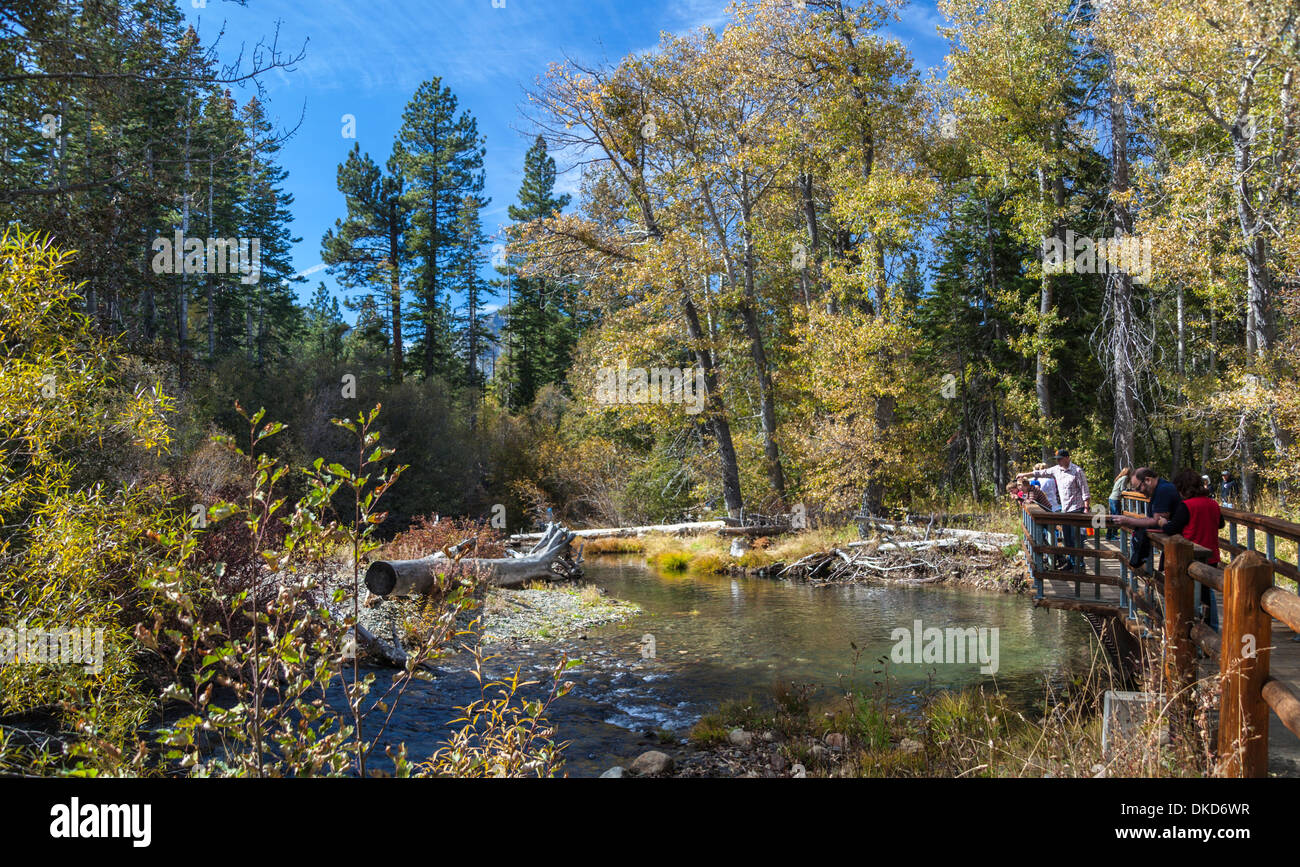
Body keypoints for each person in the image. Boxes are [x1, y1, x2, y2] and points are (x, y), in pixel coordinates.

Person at [1161, 469, 1223, 630]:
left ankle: (1192, 628)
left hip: (1191, 556)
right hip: (1212, 556)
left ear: (1182, 488)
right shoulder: (1213, 504)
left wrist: (1162, 523)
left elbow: (1172, 528)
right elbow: (1221, 524)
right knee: (1207, 593)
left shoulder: (1186, 506)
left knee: (1192, 594)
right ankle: (1212, 627)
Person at [1017, 448, 1090, 571]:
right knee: (1067, 539)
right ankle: (1071, 564)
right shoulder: (1056, 470)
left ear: (1067, 458)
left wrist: (1086, 508)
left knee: (1076, 538)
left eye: (1061, 459)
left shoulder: (1077, 471)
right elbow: (1041, 473)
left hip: (1077, 508)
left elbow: (1085, 491)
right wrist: (1025, 474)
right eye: (1057, 460)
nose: (1059, 462)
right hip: (1065, 509)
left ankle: (1080, 565)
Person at [1113, 467, 1181, 570]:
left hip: (1180, 544)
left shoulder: (1163, 490)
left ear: (1148, 480)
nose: (1139, 492)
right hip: (1174, 541)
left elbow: (1156, 520)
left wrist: (1127, 520)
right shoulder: (1158, 489)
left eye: (1139, 487)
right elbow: (1152, 518)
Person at [1107, 467, 1131, 541]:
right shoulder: (1125, 477)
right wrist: (1129, 491)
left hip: (1112, 498)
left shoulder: (1120, 477)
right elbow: (1122, 489)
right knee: (1116, 518)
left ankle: (1109, 536)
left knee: (1113, 517)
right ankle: (1113, 535)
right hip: (1115, 499)